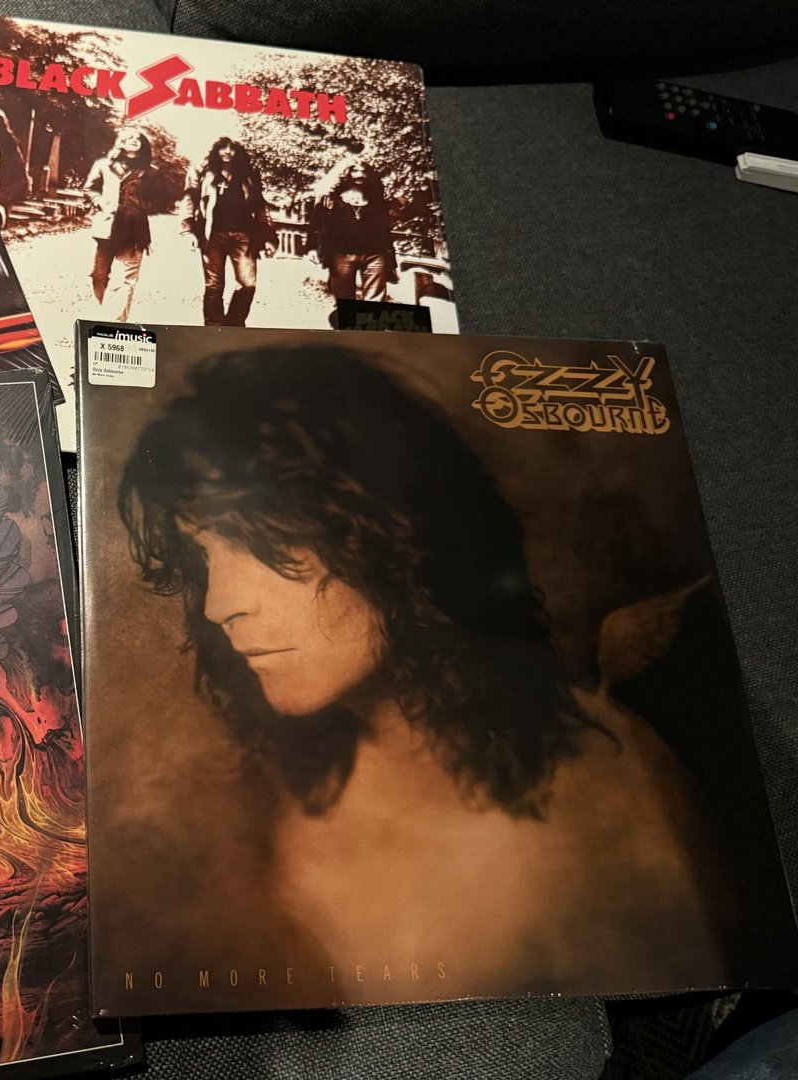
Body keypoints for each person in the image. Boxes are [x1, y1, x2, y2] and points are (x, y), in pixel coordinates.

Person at [116, 346, 738, 997]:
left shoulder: (601, 785)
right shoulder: (287, 788)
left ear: (390, 535)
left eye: (261, 542)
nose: (218, 604)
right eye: (205, 554)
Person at [179, 138, 277, 326]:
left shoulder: (248, 175)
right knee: (214, 285)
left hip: (243, 236)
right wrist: (188, 230)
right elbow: (189, 200)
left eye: (232, 148)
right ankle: (214, 327)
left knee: (248, 284)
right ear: (215, 149)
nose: (227, 152)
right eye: (223, 147)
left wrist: (268, 237)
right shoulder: (204, 174)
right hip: (212, 236)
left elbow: (260, 206)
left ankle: (234, 325)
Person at [307, 154, 398, 323]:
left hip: (374, 254)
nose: (360, 174)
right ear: (347, 173)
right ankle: (349, 330)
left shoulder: (377, 197)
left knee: (375, 303)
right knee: (344, 301)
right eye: (355, 170)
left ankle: (371, 332)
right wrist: (312, 247)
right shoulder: (331, 198)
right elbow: (317, 222)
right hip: (341, 255)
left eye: (364, 170)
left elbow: (385, 228)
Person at [84, 128, 155, 323]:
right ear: (121, 142)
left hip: (134, 230)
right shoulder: (103, 165)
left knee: (126, 278)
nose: (134, 139)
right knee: (98, 275)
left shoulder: (150, 172)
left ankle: (117, 323)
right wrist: (102, 202)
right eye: (129, 137)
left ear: (143, 145)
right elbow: (89, 189)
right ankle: (99, 315)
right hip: (107, 226)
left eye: (138, 138)